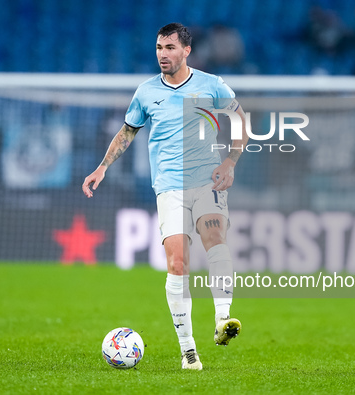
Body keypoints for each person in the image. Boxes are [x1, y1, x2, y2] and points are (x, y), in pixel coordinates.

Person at [82, 23, 248, 370]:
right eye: (159, 48)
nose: (162, 54)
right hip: (169, 187)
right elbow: (128, 131)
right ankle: (188, 351)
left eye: (170, 48)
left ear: (186, 51)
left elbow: (240, 118)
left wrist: (231, 161)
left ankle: (223, 319)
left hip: (207, 182)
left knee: (215, 239)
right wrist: (102, 167)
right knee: (178, 264)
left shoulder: (210, 85)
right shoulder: (145, 92)